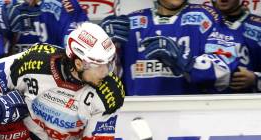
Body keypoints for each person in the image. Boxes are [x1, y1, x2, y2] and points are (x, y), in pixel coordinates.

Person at [101, 0, 239, 95]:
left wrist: (186, 61)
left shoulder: (207, 17)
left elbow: (225, 70)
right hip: (136, 117)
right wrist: (102, 47)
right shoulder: (130, 22)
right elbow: (104, 80)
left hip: (191, 120)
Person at [0, 0, 88, 97]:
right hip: (6, 98)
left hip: (53, 97)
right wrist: (1, 38)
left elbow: (79, 59)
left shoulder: (66, 7)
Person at [212, 0, 261, 92]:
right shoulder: (202, 23)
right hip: (205, 102)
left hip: (246, 102)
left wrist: (255, 79)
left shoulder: (258, 26)